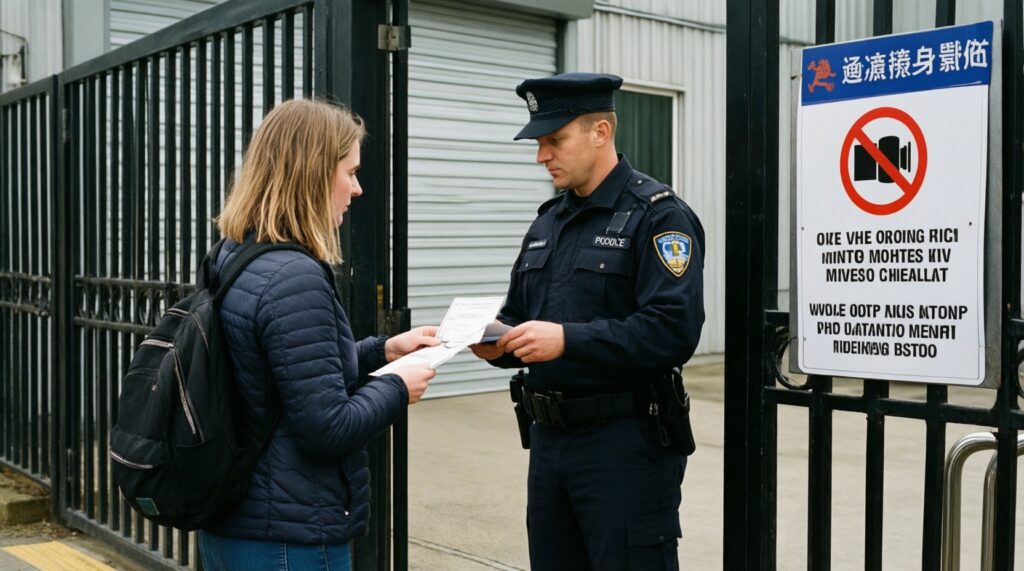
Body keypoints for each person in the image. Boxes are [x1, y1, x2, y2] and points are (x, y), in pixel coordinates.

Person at [471, 73, 705, 570]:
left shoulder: (658, 216)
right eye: (539, 143)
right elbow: (520, 317)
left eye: (555, 140)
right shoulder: (547, 221)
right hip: (550, 445)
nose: (542, 156)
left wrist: (567, 341)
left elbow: (673, 329)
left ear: (601, 132)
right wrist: (495, 342)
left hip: (624, 447)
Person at [198, 98, 438, 571]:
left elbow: (270, 371)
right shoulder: (294, 275)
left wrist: (381, 350)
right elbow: (326, 428)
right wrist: (397, 385)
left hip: (235, 524)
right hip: (289, 539)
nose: (357, 188)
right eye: (349, 172)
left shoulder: (233, 255)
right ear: (311, 173)